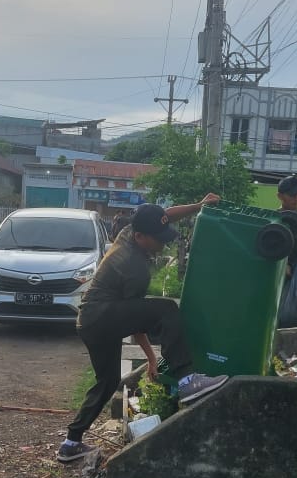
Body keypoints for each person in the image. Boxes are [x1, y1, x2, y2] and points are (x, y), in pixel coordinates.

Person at [58, 196, 229, 463]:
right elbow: (137, 324)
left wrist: (197, 206)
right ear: (139, 236)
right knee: (167, 310)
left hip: (90, 322)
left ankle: (71, 442)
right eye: (159, 239)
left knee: (108, 382)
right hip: (103, 317)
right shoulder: (133, 267)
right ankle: (187, 381)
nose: (164, 243)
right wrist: (151, 358)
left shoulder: (129, 231)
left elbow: (165, 215)